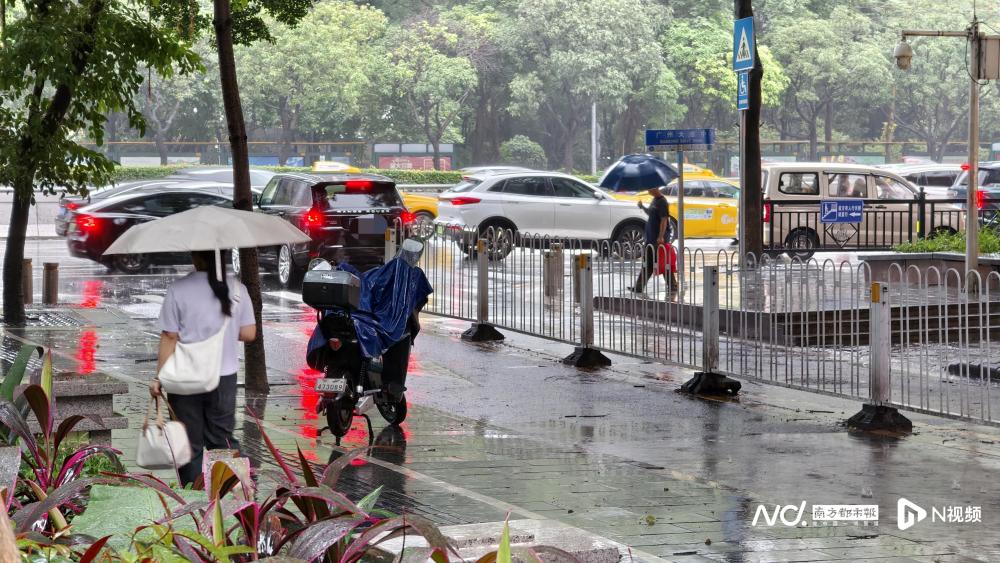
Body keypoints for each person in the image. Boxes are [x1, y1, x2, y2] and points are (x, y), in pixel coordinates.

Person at [150, 250, 256, 486]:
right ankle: (231, 492)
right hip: (224, 378)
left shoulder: (178, 289)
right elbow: (249, 333)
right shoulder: (237, 289)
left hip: (184, 379)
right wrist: (224, 330)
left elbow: (169, 337)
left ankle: (193, 496)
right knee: (222, 439)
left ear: (196, 257)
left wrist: (158, 378)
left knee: (188, 445)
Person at [629, 186, 675, 294]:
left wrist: (661, 236)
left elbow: (664, 220)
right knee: (652, 262)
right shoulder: (655, 200)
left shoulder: (662, 202)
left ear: (656, 188)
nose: (648, 191)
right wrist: (642, 207)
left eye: (650, 189)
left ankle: (640, 287)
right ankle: (672, 285)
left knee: (657, 262)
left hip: (658, 239)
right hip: (651, 237)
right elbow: (651, 213)